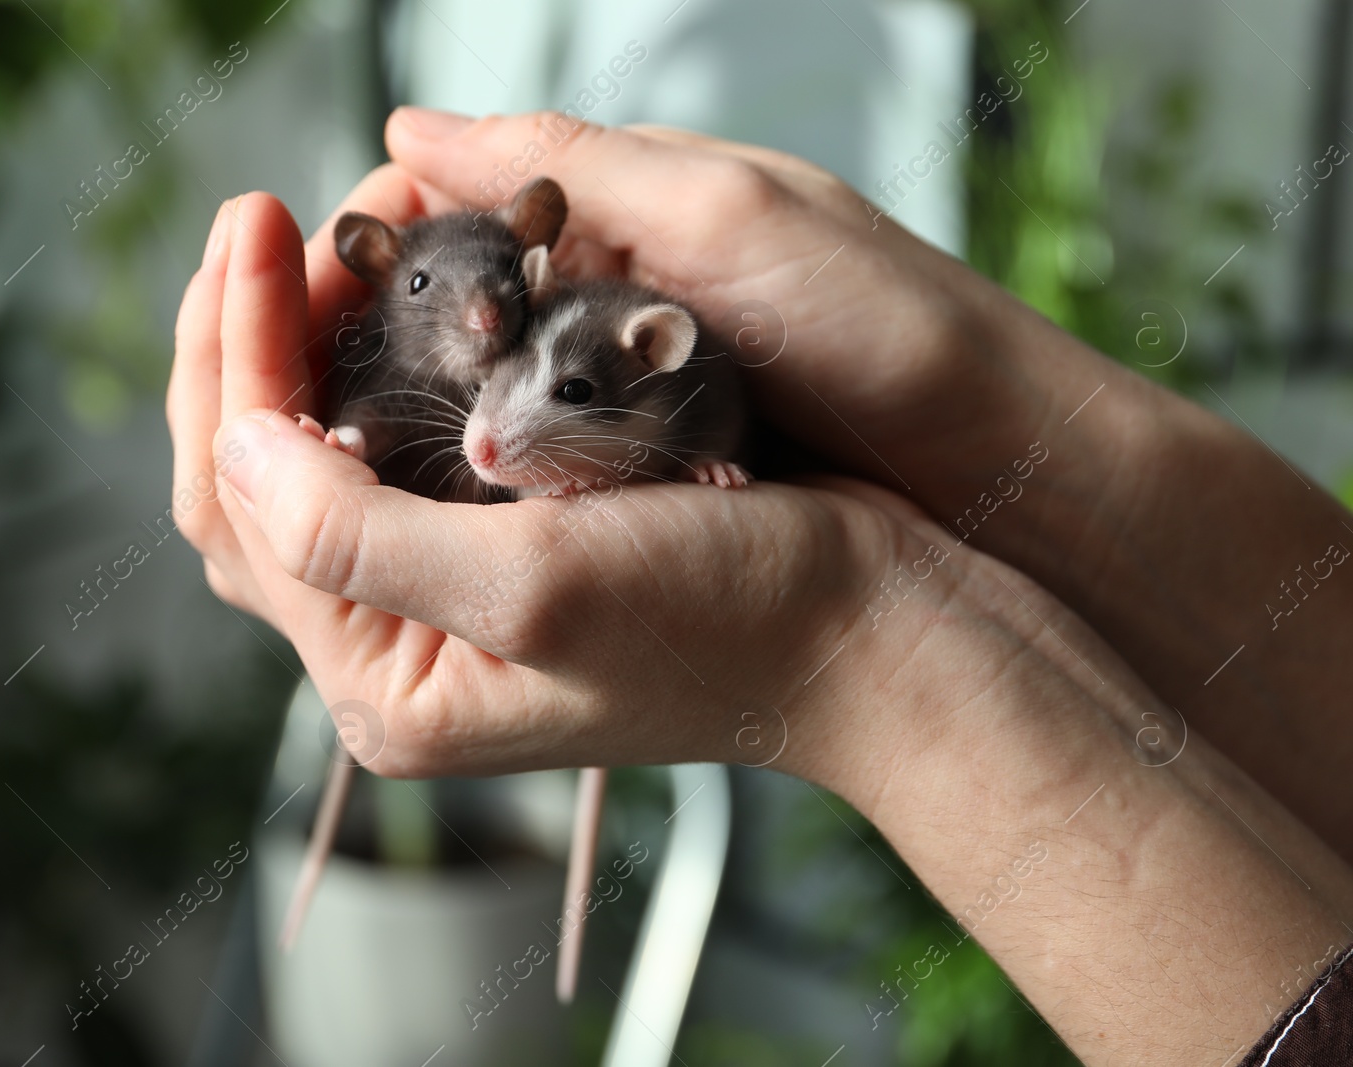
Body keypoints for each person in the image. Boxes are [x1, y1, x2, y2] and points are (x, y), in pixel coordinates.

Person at [167, 108, 1353, 1065]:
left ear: (533, 276)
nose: (485, 331)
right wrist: (991, 426)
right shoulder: (490, 353)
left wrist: (856, 636)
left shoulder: (647, 361)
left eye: (506, 306)